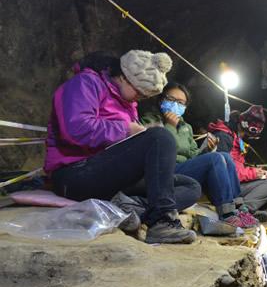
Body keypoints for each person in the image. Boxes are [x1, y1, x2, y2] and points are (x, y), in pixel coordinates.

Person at [45, 50, 197, 244]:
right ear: (124, 77)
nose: (139, 98)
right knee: (161, 137)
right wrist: (125, 129)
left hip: (108, 176)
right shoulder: (85, 83)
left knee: (190, 186)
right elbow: (76, 129)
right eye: (139, 92)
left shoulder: (127, 102)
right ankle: (161, 221)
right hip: (75, 174)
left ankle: (128, 208)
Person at [141, 83, 257, 229]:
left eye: (180, 102)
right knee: (216, 159)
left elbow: (192, 155)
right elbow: (160, 149)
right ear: (161, 99)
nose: (175, 105)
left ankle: (239, 208)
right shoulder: (150, 120)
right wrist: (170, 126)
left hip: (183, 170)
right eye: (171, 99)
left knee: (224, 156)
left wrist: (207, 150)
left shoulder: (186, 127)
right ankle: (227, 214)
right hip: (164, 171)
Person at [208, 105, 267, 222]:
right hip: (225, 190)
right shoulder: (223, 137)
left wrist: (254, 171)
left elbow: (236, 166)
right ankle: (243, 212)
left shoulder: (235, 137)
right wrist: (254, 173)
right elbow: (224, 173)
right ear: (243, 124)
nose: (246, 137)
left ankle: (251, 212)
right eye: (247, 134)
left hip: (235, 184)